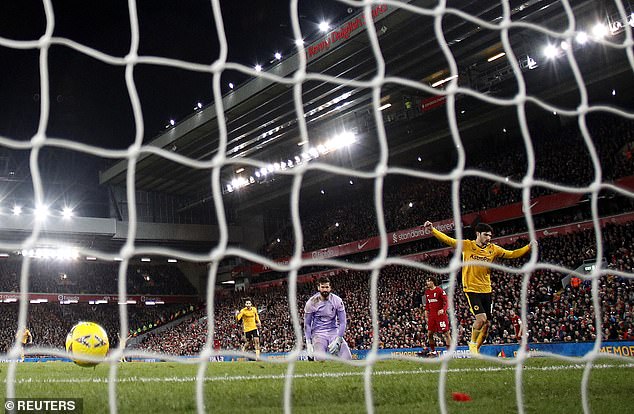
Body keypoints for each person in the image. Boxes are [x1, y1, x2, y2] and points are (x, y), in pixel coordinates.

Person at [424, 221, 535, 355]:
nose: (489, 238)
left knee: (486, 324)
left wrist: (528, 247)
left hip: (486, 289)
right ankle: (472, 344)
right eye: (486, 235)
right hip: (471, 289)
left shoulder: (493, 249)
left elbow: (511, 254)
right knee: (481, 319)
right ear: (478, 234)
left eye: (490, 235)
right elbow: (449, 240)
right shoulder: (467, 245)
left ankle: (476, 349)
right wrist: (432, 230)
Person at [304, 276, 352, 360]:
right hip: (318, 334)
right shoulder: (311, 303)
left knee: (347, 358)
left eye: (327, 287)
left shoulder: (337, 301)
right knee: (320, 360)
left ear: (330, 288)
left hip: (334, 333)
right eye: (322, 287)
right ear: (318, 287)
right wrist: (308, 343)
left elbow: (343, 322)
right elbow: (307, 324)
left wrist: (338, 339)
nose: (325, 289)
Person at [419, 275, 451, 357]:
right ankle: (433, 351)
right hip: (432, 316)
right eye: (427, 281)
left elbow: (446, 302)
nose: (427, 283)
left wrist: (443, 310)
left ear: (433, 282)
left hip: (441, 316)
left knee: (446, 333)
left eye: (429, 281)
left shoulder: (439, 290)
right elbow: (428, 303)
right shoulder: (427, 292)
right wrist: (426, 311)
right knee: (429, 334)